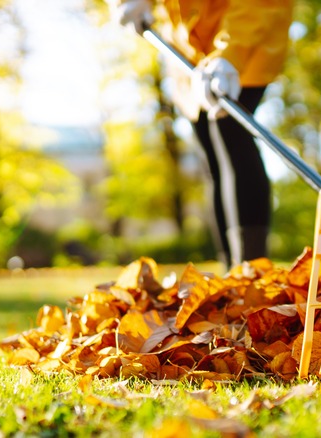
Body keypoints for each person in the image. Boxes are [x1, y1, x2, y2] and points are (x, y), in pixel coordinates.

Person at [107, 0, 294, 268]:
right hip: (187, 53)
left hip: (244, 38)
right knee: (211, 157)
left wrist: (230, 54)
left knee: (231, 135)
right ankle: (231, 272)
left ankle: (251, 271)